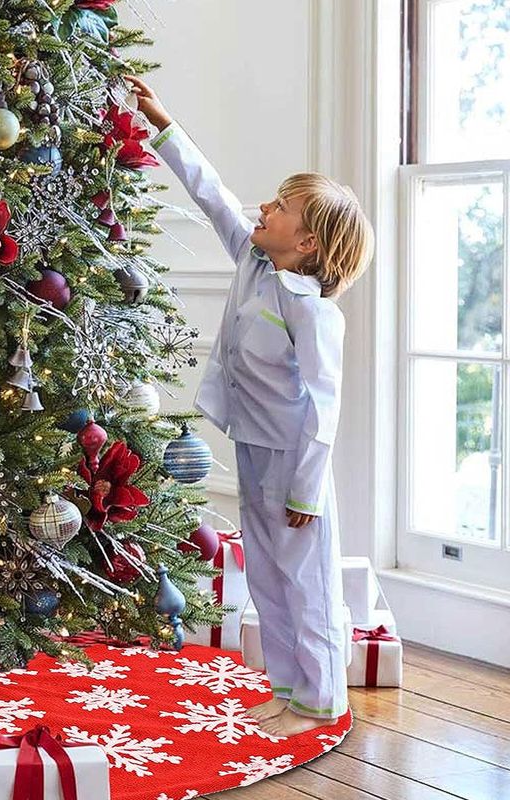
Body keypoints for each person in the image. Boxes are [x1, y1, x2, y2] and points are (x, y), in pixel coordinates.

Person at [126, 75, 374, 737]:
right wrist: (163, 124)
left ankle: (322, 701)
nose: (264, 206)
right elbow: (210, 193)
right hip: (254, 449)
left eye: (282, 206)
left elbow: (324, 409)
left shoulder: (313, 313)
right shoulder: (252, 261)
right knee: (266, 575)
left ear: (308, 243)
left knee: (307, 582)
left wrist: (306, 492)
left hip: (294, 465)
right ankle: (289, 691)